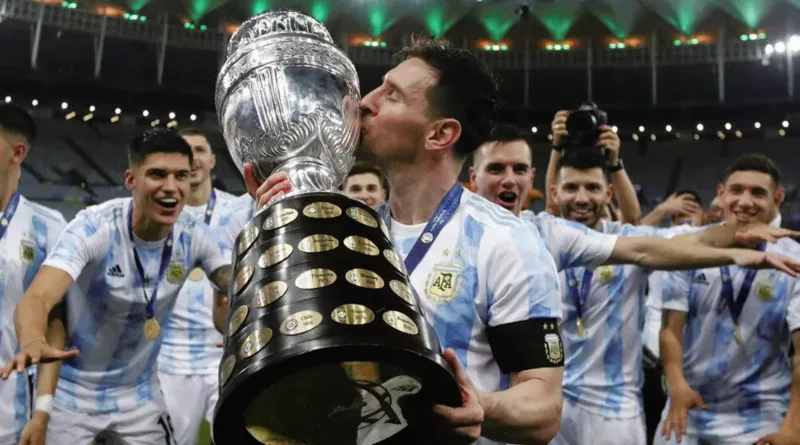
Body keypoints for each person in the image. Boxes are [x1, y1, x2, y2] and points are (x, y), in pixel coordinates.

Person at [248, 38, 565, 445]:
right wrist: (275, 228)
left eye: (391, 96)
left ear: (440, 133)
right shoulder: (355, 230)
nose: (363, 102)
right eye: (377, 87)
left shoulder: (504, 240)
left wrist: (482, 405)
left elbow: (544, 407)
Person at [468, 125, 800, 445]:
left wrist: (736, 236)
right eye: (496, 168)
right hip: (535, 399)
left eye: (593, 187)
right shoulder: (480, 238)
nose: (582, 197)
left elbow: (670, 240)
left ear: (607, 192)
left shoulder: (555, 235)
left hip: (613, 409)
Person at [1, 128, 233, 445]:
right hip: (72, 395)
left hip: (138, 395)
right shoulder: (94, 227)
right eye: (157, 174)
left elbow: (235, 283)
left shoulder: (194, 236)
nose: (171, 187)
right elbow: (39, 296)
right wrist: (31, 340)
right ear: (130, 180)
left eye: (181, 176)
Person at [658, 154, 800, 445]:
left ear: (778, 198)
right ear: (721, 194)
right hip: (690, 406)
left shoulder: (794, 260)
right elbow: (671, 329)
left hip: (761, 413)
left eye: (758, 193)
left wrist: (793, 428)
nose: (745, 202)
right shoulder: (690, 249)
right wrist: (677, 385)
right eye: (737, 190)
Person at [156, 128, 237, 445]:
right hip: (172, 353)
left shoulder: (238, 210)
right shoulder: (158, 212)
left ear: (213, 159)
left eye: (200, 150)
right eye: (185, 151)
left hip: (227, 353)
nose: (193, 158)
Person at [0, 104, 70, 445]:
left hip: (11, 411)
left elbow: (56, 324)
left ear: (17, 152)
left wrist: (43, 411)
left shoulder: (48, 227)